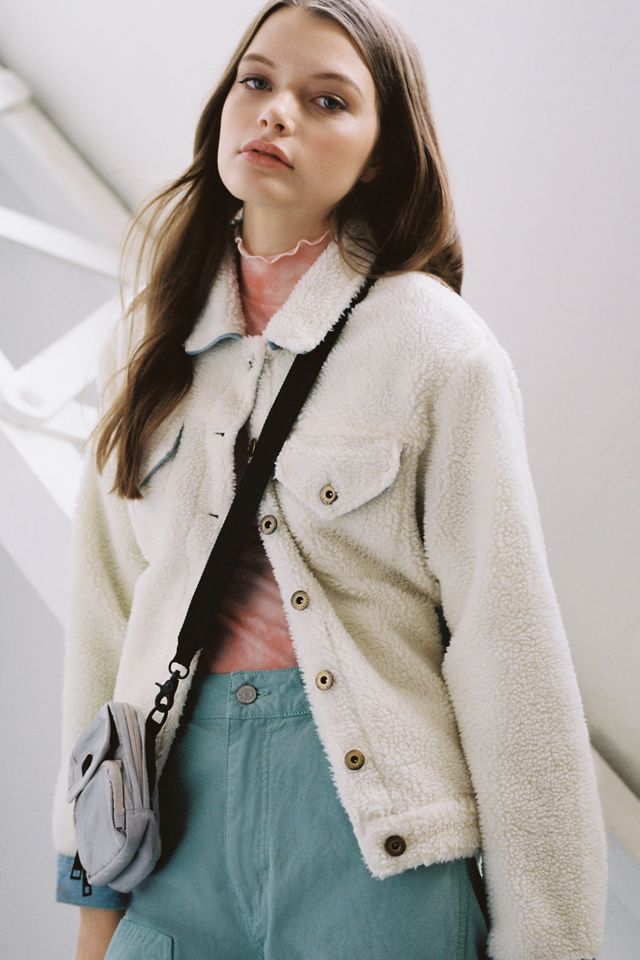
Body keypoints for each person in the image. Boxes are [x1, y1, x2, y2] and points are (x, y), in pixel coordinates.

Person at [51, 1, 608, 958]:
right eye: (257, 81)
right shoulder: (146, 345)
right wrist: (90, 896)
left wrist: (549, 940)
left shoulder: (437, 349)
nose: (276, 112)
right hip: (171, 845)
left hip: (376, 858)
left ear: (382, 155)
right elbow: (104, 625)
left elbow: (509, 653)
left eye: (327, 100)